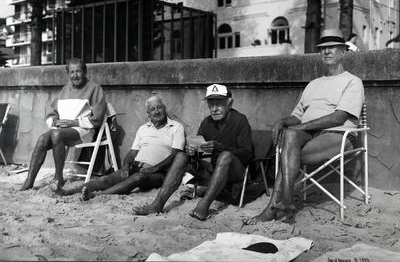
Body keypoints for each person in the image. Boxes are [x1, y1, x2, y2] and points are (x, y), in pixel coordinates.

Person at [244, 28, 364, 224]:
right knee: (289, 140)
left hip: (338, 135)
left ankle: (272, 207)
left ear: (343, 51)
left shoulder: (353, 82)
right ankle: (287, 203)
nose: (327, 51)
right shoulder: (313, 84)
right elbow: (296, 116)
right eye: (323, 48)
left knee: (288, 150)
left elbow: (339, 117)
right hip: (308, 134)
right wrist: (283, 121)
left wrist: (300, 128)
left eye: (332, 47)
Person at [132, 84, 253, 221]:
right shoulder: (207, 122)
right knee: (181, 155)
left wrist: (221, 147)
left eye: (219, 104)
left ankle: (204, 205)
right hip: (213, 170)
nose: (214, 109)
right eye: (211, 104)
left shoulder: (240, 120)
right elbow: (201, 151)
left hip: (235, 171)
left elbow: (247, 155)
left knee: (225, 155)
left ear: (229, 103)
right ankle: (157, 204)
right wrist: (192, 151)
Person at [50, 95, 186, 200]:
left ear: (164, 108)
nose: (156, 112)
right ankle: (67, 192)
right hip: (136, 167)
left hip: (158, 174)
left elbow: (175, 155)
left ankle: (96, 196)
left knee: (138, 178)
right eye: (152, 109)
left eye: (159, 107)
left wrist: (154, 168)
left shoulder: (176, 127)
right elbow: (132, 153)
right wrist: (126, 166)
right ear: (148, 114)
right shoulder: (143, 129)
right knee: (105, 179)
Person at [20, 58, 106, 191]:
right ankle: (29, 180)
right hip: (62, 131)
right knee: (43, 139)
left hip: (84, 130)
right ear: (68, 73)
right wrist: (55, 122)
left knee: (56, 134)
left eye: (78, 71)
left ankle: (58, 177)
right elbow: (52, 113)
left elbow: (98, 119)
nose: (75, 75)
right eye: (72, 72)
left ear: (85, 71)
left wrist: (74, 122)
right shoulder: (65, 90)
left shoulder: (95, 89)